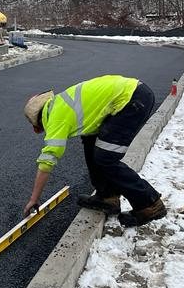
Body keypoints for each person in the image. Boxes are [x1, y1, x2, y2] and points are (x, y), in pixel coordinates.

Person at [22, 75, 167, 227]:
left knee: (106, 158)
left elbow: (47, 161)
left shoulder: (56, 118)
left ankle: (150, 204)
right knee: (90, 141)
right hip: (133, 94)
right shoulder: (59, 103)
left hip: (132, 100)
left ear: (38, 122)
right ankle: (107, 197)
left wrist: (34, 198)